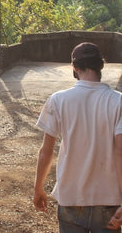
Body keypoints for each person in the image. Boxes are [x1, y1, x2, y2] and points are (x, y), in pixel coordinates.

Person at [33, 41, 122, 232]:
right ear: (101, 66)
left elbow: (46, 152)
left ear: (74, 67)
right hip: (108, 200)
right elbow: (120, 152)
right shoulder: (118, 101)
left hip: (70, 198)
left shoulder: (58, 100)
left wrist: (38, 188)